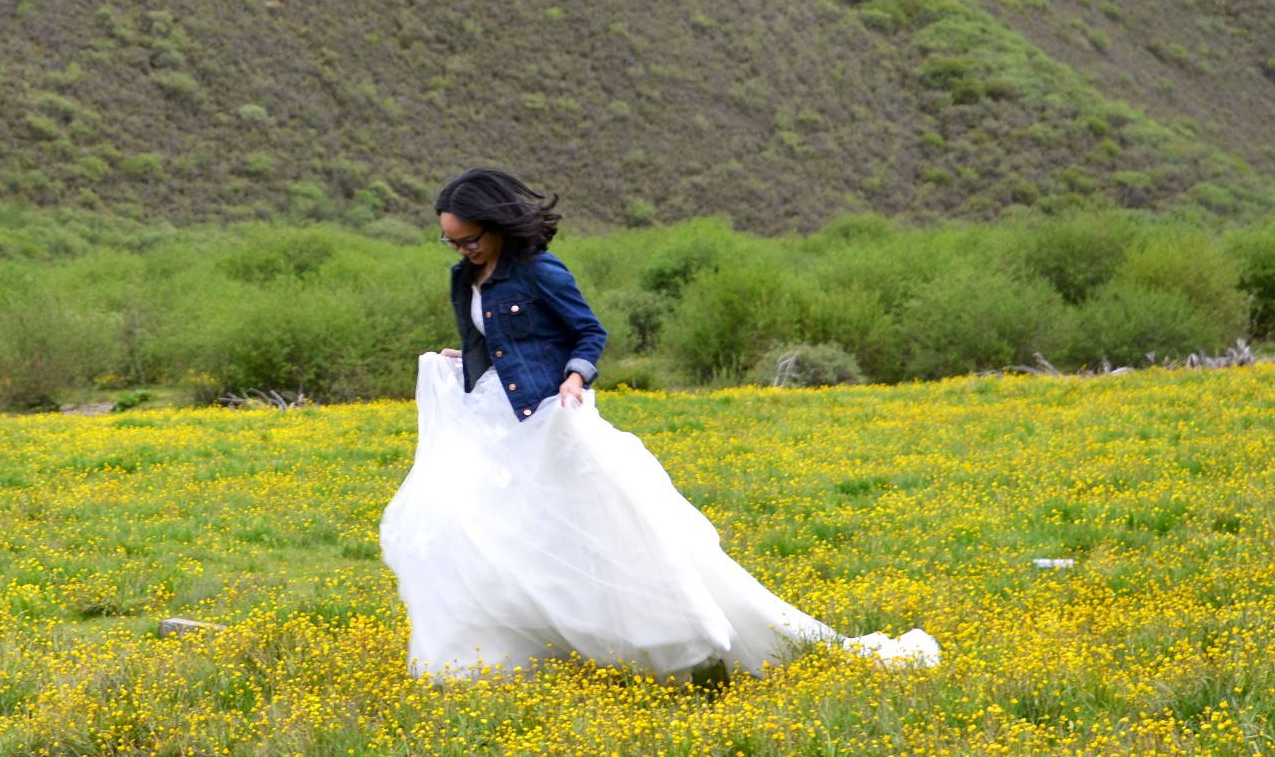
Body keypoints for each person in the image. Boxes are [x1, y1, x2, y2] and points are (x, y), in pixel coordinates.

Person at [379, 167, 937, 683]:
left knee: (601, 530)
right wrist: (467, 359)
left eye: (470, 239)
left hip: (556, 420)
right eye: (452, 242)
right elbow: (485, 339)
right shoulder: (466, 278)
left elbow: (588, 333)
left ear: (497, 226)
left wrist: (576, 376)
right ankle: (519, 647)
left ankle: (678, 637)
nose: (462, 250)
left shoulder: (539, 272)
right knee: (486, 529)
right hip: (502, 420)